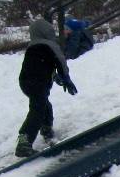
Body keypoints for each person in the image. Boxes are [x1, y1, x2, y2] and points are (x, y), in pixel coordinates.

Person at [16, 18, 78, 157]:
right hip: (39, 82)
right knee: (37, 110)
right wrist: (66, 78)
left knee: (43, 104)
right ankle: (24, 141)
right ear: (47, 32)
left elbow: (40, 65)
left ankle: (46, 128)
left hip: (25, 82)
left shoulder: (32, 46)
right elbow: (60, 61)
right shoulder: (50, 44)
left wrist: (55, 76)